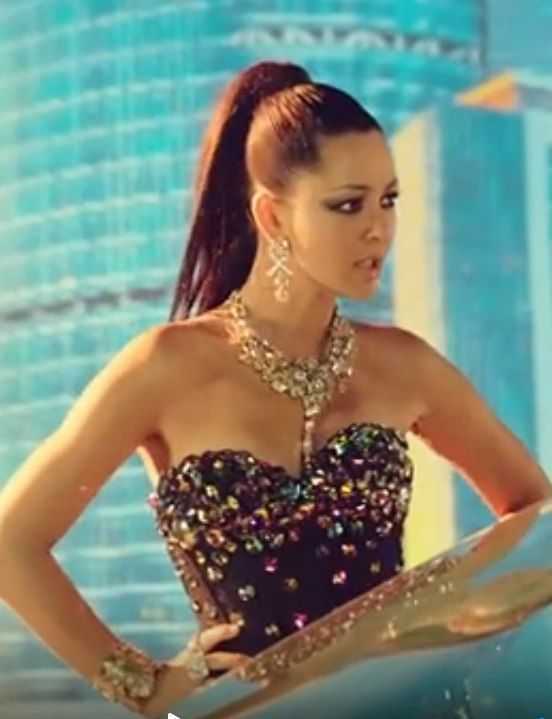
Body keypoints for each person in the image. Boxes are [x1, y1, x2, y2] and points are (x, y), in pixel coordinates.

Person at [0, 59, 550, 719]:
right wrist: (142, 685)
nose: (378, 228)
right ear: (273, 215)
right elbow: (11, 543)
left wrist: (448, 625)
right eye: (347, 204)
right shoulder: (165, 366)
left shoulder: (406, 366)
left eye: (389, 200)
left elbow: (537, 515)